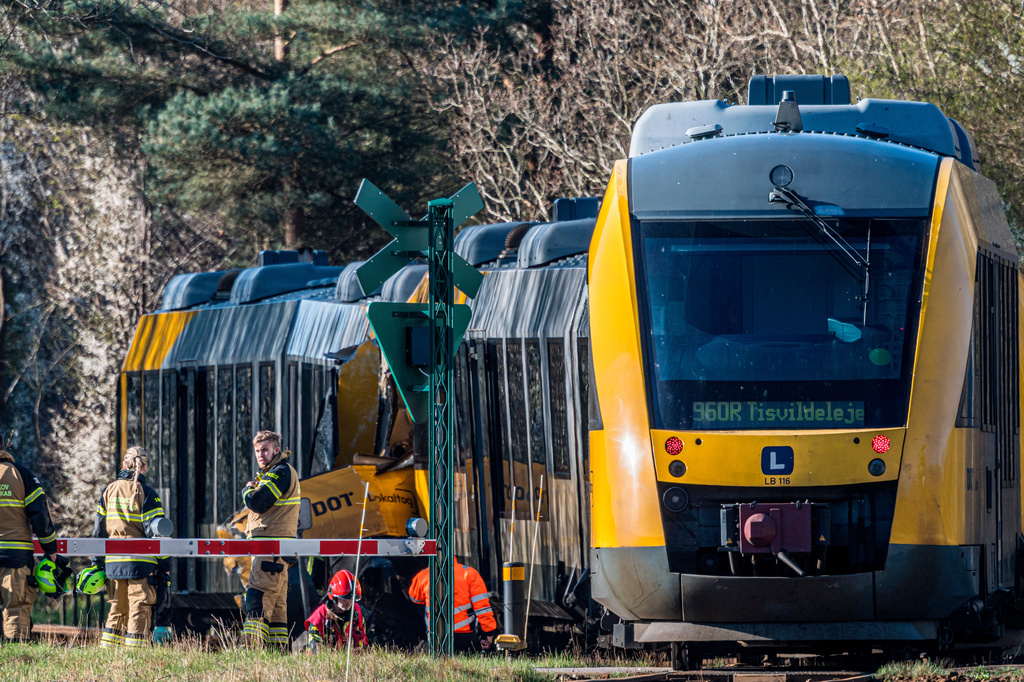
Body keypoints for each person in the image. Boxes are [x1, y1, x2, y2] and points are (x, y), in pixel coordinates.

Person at [93, 446, 169, 648]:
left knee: (117, 608)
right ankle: (135, 655)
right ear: (143, 467)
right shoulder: (148, 493)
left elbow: (99, 531)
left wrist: (96, 563)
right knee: (140, 607)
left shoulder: (108, 491)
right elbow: (158, 534)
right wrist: (164, 566)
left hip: (113, 565)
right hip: (140, 564)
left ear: (123, 465)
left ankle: (108, 653)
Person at [241, 431, 300, 648]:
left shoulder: (280, 471)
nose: (260, 455)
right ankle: (277, 652)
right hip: (276, 550)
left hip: (270, 547)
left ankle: (250, 650)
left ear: (277, 450)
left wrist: (246, 491)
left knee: (257, 598)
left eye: (265, 450)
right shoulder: (275, 472)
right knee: (276, 607)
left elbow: (258, 502)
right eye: (257, 451)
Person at [0, 447, 60, 641]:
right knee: (16, 607)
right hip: (15, 556)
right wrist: (50, 548)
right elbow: (40, 515)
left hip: (15, 555)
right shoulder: (22, 474)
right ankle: (16, 656)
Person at [408, 560, 497, 653]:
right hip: (464, 637)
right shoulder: (470, 574)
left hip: (435, 634)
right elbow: (482, 608)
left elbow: (415, 598)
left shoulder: (425, 574)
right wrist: (489, 633)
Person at [303, 569, 368, 652]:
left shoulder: (357, 612)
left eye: (352, 598)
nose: (349, 602)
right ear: (333, 596)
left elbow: (362, 645)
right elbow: (315, 653)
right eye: (344, 598)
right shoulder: (318, 618)